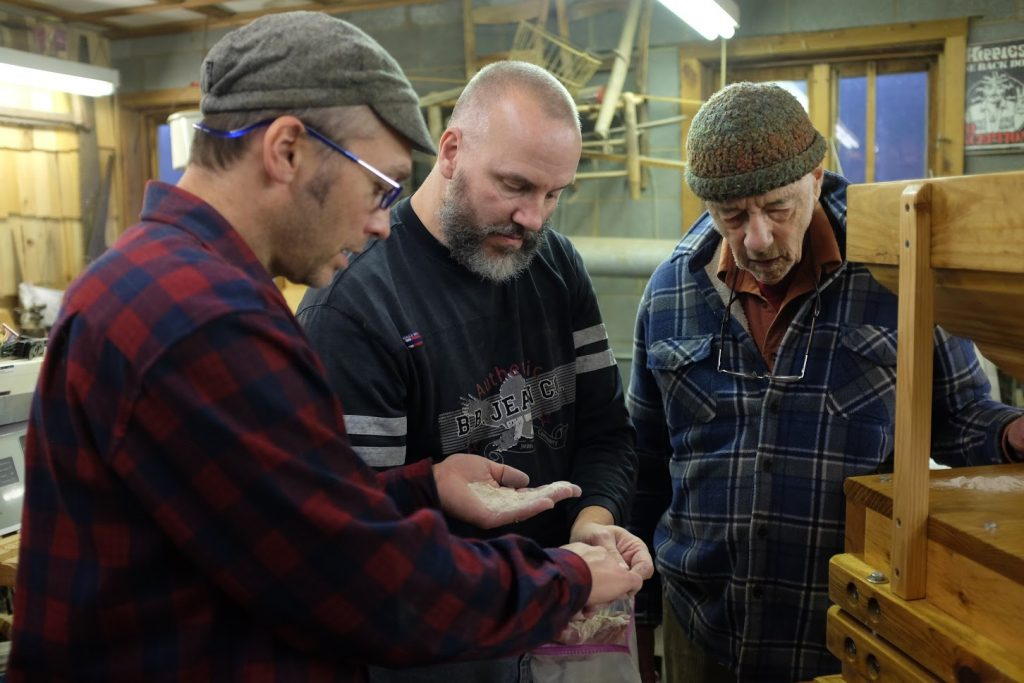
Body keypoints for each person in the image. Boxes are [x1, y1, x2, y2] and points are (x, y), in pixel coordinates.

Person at [9, 13, 646, 681]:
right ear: (287, 150)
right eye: (379, 187)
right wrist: (567, 575)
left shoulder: (166, 281)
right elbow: (362, 581)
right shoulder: (203, 321)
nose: (380, 222)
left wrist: (422, 486)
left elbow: (275, 514)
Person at [627, 82, 1024, 682]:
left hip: (843, 629)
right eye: (732, 216)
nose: (756, 239)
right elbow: (646, 458)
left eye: (777, 208)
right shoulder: (669, 291)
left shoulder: (899, 274)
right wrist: (641, 613)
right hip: (702, 626)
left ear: (816, 177)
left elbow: (963, 416)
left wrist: (1016, 434)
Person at [297, 60, 653, 682]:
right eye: (515, 186)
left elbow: (605, 433)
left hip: (568, 623)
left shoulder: (556, 265)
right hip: (436, 651)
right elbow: (354, 542)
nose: (535, 217)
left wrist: (593, 524)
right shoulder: (358, 302)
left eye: (554, 193)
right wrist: (554, 577)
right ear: (452, 150)